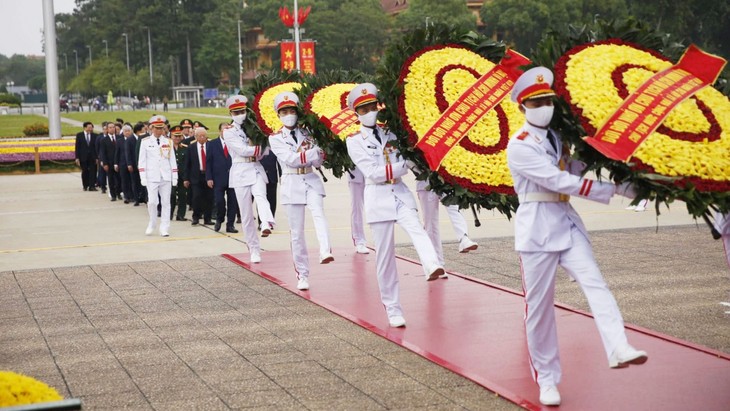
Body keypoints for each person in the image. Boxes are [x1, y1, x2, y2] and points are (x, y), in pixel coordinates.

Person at [505, 67, 647, 406]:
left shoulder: (558, 138)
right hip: (537, 230)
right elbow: (558, 182)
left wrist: (614, 164)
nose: (545, 106)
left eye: (548, 100)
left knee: (595, 283)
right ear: (522, 107)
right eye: (536, 102)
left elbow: (573, 170)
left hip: (566, 223)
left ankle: (618, 346)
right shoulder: (519, 145)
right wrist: (614, 189)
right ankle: (548, 379)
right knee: (538, 310)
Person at [345, 83, 445, 327]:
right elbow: (373, 172)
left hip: (399, 192)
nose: (369, 111)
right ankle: (392, 308)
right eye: (363, 108)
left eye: (372, 106)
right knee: (385, 257)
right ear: (356, 112)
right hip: (378, 196)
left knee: (417, 229)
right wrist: (405, 166)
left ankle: (432, 265)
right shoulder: (354, 141)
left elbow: (409, 156)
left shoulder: (391, 133)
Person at [269, 91, 334, 290]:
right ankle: (303, 274)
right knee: (297, 233)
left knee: (319, 214)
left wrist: (314, 153)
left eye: (292, 110)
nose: (289, 114)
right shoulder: (275, 138)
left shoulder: (309, 133)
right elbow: (290, 159)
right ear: (279, 114)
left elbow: (319, 160)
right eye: (284, 111)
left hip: (311, 179)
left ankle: (325, 250)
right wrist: (313, 152)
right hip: (291, 181)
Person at [224, 96, 276, 263]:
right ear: (231, 113)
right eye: (236, 112)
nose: (240, 114)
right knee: (246, 215)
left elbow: (266, 150)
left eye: (242, 111)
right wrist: (259, 148)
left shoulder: (254, 127)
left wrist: (261, 143)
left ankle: (267, 223)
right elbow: (242, 150)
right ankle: (254, 249)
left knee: (261, 196)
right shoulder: (228, 131)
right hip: (240, 171)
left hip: (255, 168)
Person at [416, 180, 479, 267]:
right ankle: (437, 262)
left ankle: (464, 238)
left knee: (454, 208)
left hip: (446, 180)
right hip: (425, 182)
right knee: (430, 224)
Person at [138, 115, 178, 237]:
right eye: (156, 128)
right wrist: (143, 176)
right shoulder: (145, 142)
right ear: (152, 128)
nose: (159, 130)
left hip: (165, 176)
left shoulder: (169, 141)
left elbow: (172, 160)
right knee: (152, 202)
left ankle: (164, 227)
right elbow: (142, 161)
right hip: (152, 176)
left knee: (166, 202)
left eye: (161, 128)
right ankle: (152, 223)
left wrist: (175, 176)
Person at [206, 122, 239, 233]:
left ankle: (230, 225)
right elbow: (208, 162)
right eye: (224, 130)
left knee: (233, 203)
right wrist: (209, 178)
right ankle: (219, 218)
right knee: (219, 201)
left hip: (233, 177)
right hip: (218, 178)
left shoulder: (235, 143)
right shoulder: (212, 144)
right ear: (220, 131)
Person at [184, 127, 214, 226]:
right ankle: (196, 217)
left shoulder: (211, 146)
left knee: (209, 198)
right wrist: (186, 179)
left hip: (208, 176)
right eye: (200, 136)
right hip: (196, 176)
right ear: (196, 137)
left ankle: (207, 218)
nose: (202, 138)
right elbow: (187, 164)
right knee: (196, 197)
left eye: (204, 136)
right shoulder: (191, 147)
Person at [346, 166, 370, 254]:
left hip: (374, 173)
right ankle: (359, 241)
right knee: (357, 208)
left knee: (376, 207)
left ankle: (381, 240)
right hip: (355, 173)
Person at [169, 125, 188, 221]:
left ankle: (180, 215)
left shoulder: (185, 147)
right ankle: (169, 213)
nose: (177, 138)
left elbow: (187, 163)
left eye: (178, 136)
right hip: (170, 176)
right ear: (171, 136)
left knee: (182, 195)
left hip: (182, 176)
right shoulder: (167, 148)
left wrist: (186, 177)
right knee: (171, 195)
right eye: (175, 136)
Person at [99, 122, 121, 201]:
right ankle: (113, 195)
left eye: (113, 127)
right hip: (109, 162)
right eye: (110, 127)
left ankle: (119, 193)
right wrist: (105, 164)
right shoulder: (104, 140)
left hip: (118, 162)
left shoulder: (119, 138)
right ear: (107, 129)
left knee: (119, 179)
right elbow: (103, 153)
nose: (112, 129)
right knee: (111, 180)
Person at [74, 121, 98, 191]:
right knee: (85, 171)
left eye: (91, 127)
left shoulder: (95, 136)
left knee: (93, 171)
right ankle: (85, 185)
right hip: (83, 157)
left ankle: (92, 186)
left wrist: (97, 157)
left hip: (92, 157)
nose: (90, 129)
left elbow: (96, 147)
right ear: (85, 128)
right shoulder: (79, 135)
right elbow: (77, 147)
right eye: (89, 127)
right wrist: (77, 157)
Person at [126, 123, 145, 206]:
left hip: (142, 164)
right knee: (135, 182)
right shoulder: (130, 139)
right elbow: (128, 153)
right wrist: (129, 164)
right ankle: (136, 199)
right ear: (139, 130)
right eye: (143, 129)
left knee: (143, 182)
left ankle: (144, 198)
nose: (145, 130)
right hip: (133, 165)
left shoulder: (144, 139)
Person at [115, 124, 134, 203]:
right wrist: (116, 163)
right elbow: (117, 153)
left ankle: (132, 196)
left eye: (128, 131)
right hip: (122, 163)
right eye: (125, 131)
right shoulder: (119, 141)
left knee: (132, 181)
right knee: (124, 181)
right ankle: (126, 196)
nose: (127, 132)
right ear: (123, 132)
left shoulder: (133, 140)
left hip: (131, 163)